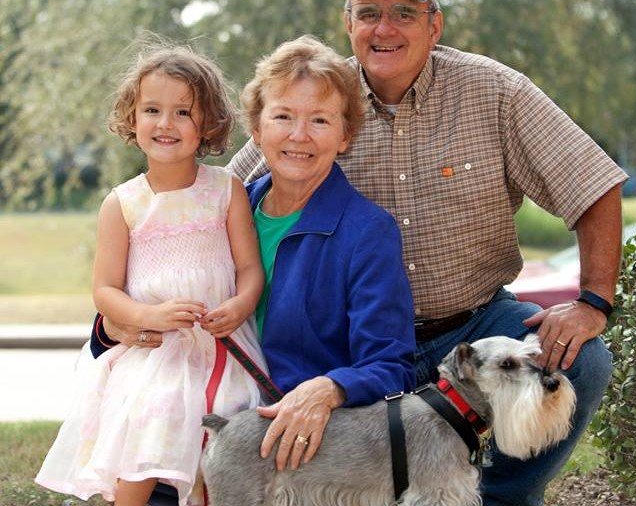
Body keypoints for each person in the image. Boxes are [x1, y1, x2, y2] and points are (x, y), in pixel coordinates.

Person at [228, 0, 628, 506]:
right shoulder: (319, 101)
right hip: (356, 342)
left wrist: (593, 301)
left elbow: (591, 183)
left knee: (580, 361)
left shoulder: (496, 92)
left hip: (475, 324)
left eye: (404, 12)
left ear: (434, 23)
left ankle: (494, 498)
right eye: (368, 13)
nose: (384, 28)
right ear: (348, 24)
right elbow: (224, 198)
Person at [90, 35, 416, 503]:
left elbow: (391, 366)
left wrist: (328, 389)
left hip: (289, 455)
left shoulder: (366, 232)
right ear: (257, 129)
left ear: (344, 135)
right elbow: (138, 287)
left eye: (319, 120)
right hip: (187, 428)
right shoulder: (220, 206)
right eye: (282, 116)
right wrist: (117, 326)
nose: (298, 135)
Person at [36, 44, 268, 506]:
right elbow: (104, 289)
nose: (166, 123)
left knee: (229, 419)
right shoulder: (123, 203)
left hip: (220, 342)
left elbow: (249, 269)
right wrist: (149, 315)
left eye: (183, 111)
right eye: (152, 110)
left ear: (207, 124)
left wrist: (239, 305)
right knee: (157, 412)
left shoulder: (226, 191)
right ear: (132, 117)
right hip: (156, 349)